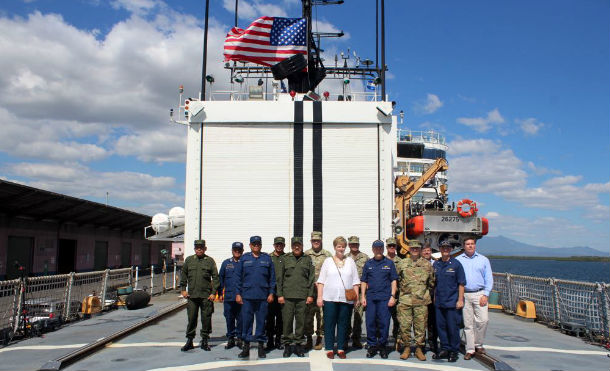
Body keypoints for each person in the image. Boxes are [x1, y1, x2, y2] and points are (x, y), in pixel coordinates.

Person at [316, 236, 360, 359]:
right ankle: (329, 348)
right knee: (329, 324)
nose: (341, 248)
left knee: (343, 324)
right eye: (338, 246)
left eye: (343, 246)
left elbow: (356, 281)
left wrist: (356, 298)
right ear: (335, 247)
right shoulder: (328, 261)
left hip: (346, 299)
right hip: (329, 298)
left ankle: (340, 348)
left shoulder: (350, 261)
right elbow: (321, 281)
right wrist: (320, 297)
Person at [235, 236, 276, 359]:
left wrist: (271, 293)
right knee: (246, 322)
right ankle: (246, 347)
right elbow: (238, 278)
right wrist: (238, 294)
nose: (256, 246)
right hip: (247, 297)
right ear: (250, 245)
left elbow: (272, 279)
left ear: (261, 245)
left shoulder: (267, 259)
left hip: (262, 297)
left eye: (258, 244)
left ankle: (260, 347)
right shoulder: (244, 259)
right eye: (254, 244)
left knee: (261, 323)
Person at [395, 239, 434, 361]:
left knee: (420, 327)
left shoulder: (427, 264)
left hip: (421, 301)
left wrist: (422, 292)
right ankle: (406, 347)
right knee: (404, 326)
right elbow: (396, 280)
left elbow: (431, 282)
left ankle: (418, 349)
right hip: (405, 300)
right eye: (413, 248)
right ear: (409, 250)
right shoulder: (402, 263)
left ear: (420, 250)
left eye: (417, 248)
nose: (415, 250)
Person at [276, 237, 315, 358]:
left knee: (300, 322)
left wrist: (310, 295)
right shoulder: (285, 259)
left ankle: (298, 345)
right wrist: (280, 295)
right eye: (294, 245)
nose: (296, 247)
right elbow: (280, 279)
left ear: (302, 246)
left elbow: (311, 279)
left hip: (302, 297)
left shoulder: (307, 259)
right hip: (287, 297)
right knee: (287, 321)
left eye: (298, 245)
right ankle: (287, 345)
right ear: (291, 246)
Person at [456, 237, 493, 360]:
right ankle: (470, 349)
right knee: (468, 324)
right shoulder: (458, 260)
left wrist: (486, 294)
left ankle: (478, 343)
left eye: (472, 244)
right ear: (464, 246)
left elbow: (489, 278)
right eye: (468, 244)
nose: (470, 246)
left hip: (479, 294)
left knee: (483, 320)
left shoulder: (483, 260)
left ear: (475, 245)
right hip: (465, 294)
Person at [179, 239, 220, 352]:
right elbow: (184, 275)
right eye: (197, 247)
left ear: (204, 249)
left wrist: (213, 293)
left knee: (206, 318)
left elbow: (216, 278)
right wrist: (183, 289)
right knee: (191, 318)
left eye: (201, 247)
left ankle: (205, 340)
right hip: (192, 296)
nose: (199, 249)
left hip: (206, 296)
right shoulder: (189, 260)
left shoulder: (210, 261)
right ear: (194, 249)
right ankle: (190, 340)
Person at [360, 240, 398, 359]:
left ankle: (382, 346)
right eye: (376, 248)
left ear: (383, 249)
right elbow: (364, 281)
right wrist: (362, 296)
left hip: (384, 298)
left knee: (384, 323)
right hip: (371, 298)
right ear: (373, 249)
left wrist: (392, 296)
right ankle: (372, 346)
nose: (378, 250)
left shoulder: (389, 263)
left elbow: (393, 280)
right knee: (370, 322)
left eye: (380, 248)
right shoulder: (368, 263)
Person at [432, 241, 465, 362]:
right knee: (441, 327)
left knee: (452, 328)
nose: (445, 249)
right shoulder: (437, 264)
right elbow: (435, 284)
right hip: (439, 302)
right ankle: (445, 348)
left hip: (452, 302)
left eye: (447, 248)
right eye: (443, 247)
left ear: (451, 249)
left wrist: (460, 300)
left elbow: (461, 283)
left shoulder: (456, 264)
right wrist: (435, 297)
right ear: (440, 249)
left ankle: (454, 351)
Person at [304, 231, 332, 350]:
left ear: (321, 241)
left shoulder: (327, 255)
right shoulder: (305, 254)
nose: (316, 242)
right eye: (314, 240)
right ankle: (309, 339)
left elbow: (331, 272)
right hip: (309, 291)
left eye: (318, 240)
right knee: (308, 316)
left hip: (323, 291)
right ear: (311, 241)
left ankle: (319, 339)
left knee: (322, 316)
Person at [218, 241, 244, 350]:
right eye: (235, 250)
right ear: (232, 250)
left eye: (239, 250)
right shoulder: (226, 263)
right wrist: (219, 293)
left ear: (242, 251)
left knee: (241, 318)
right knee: (229, 318)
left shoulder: (245, 262)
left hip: (242, 297)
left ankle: (240, 338)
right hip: (229, 297)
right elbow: (221, 279)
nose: (237, 252)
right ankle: (231, 338)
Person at [346, 235, 369, 349]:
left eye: (356, 244)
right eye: (352, 244)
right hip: (348, 290)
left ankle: (356, 338)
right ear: (349, 245)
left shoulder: (365, 257)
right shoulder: (345, 257)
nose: (354, 246)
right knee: (346, 315)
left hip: (360, 291)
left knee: (358, 316)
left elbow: (369, 273)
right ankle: (345, 337)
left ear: (358, 245)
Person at [265, 236, 286, 351]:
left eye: (281, 244)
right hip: (271, 293)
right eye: (277, 244)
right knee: (269, 318)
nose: (279, 246)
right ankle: (269, 340)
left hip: (282, 293)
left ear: (284, 246)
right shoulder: (268, 257)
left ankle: (278, 340)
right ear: (274, 245)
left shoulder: (287, 257)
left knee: (281, 318)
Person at [421, 242, 438, 356]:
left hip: (433, 296)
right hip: (421, 297)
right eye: (425, 251)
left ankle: (433, 343)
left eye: (429, 250)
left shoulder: (436, 264)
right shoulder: (418, 264)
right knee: (421, 322)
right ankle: (421, 344)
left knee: (433, 322)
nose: (427, 252)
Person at [385, 237, 402, 349]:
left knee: (397, 319)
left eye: (393, 246)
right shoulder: (381, 259)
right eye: (390, 246)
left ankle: (397, 340)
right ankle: (382, 340)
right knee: (382, 319)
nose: (392, 247)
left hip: (398, 294)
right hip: (384, 294)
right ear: (386, 247)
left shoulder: (401, 261)